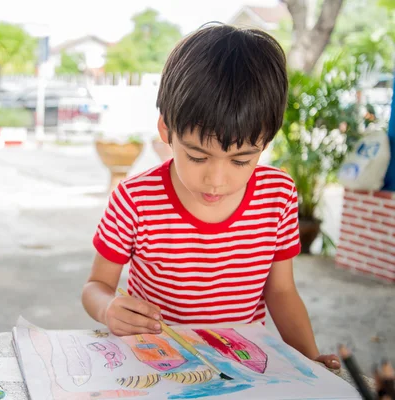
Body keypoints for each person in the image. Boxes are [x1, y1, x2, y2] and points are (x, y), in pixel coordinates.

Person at [81, 23, 340, 369]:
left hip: (242, 363)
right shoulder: (135, 199)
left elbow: (280, 292)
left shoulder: (277, 195)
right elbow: (96, 285)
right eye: (198, 156)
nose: (216, 180)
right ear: (166, 131)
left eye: (241, 160)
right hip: (158, 364)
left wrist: (310, 360)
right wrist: (107, 307)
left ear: (265, 143)